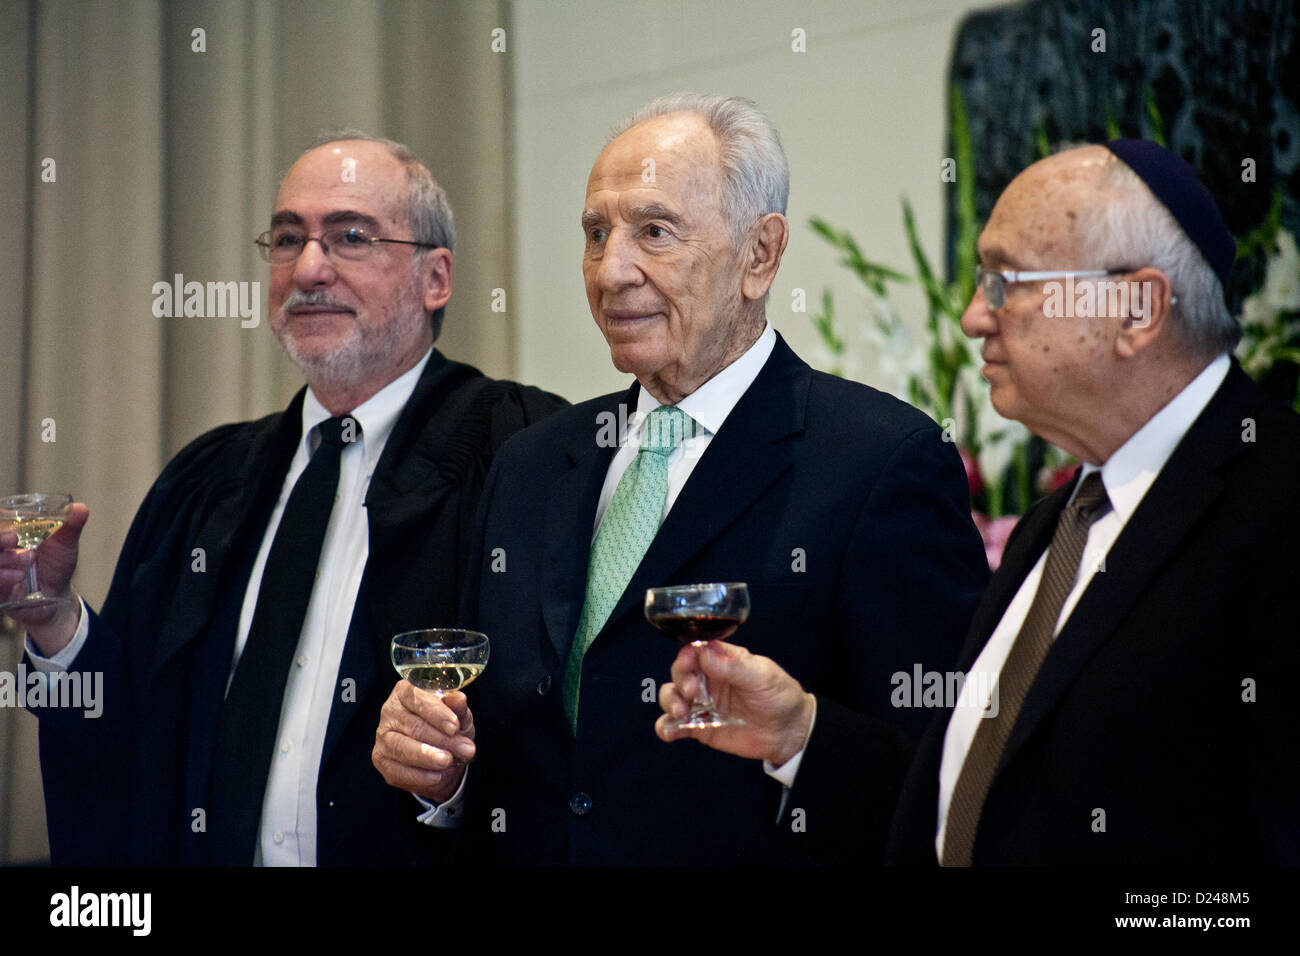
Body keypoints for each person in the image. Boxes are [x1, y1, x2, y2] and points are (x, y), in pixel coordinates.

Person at [372, 94, 989, 865]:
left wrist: (801, 738)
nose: (611, 270)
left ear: (760, 255)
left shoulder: (879, 461)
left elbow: (954, 763)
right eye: (596, 234)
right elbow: (517, 748)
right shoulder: (532, 462)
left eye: (653, 232)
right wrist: (441, 777)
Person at [656, 140, 1300, 865]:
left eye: (1005, 282)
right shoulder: (1053, 529)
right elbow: (982, 798)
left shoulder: (1279, 508)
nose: (972, 318)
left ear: (1138, 308)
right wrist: (798, 734)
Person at [2, 133, 566, 865]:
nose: (307, 268)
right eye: (288, 237)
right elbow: (135, 744)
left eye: (350, 236)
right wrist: (52, 621)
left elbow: (566, 740)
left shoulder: (522, 455)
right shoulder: (208, 479)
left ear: (437, 277)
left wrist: (450, 784)